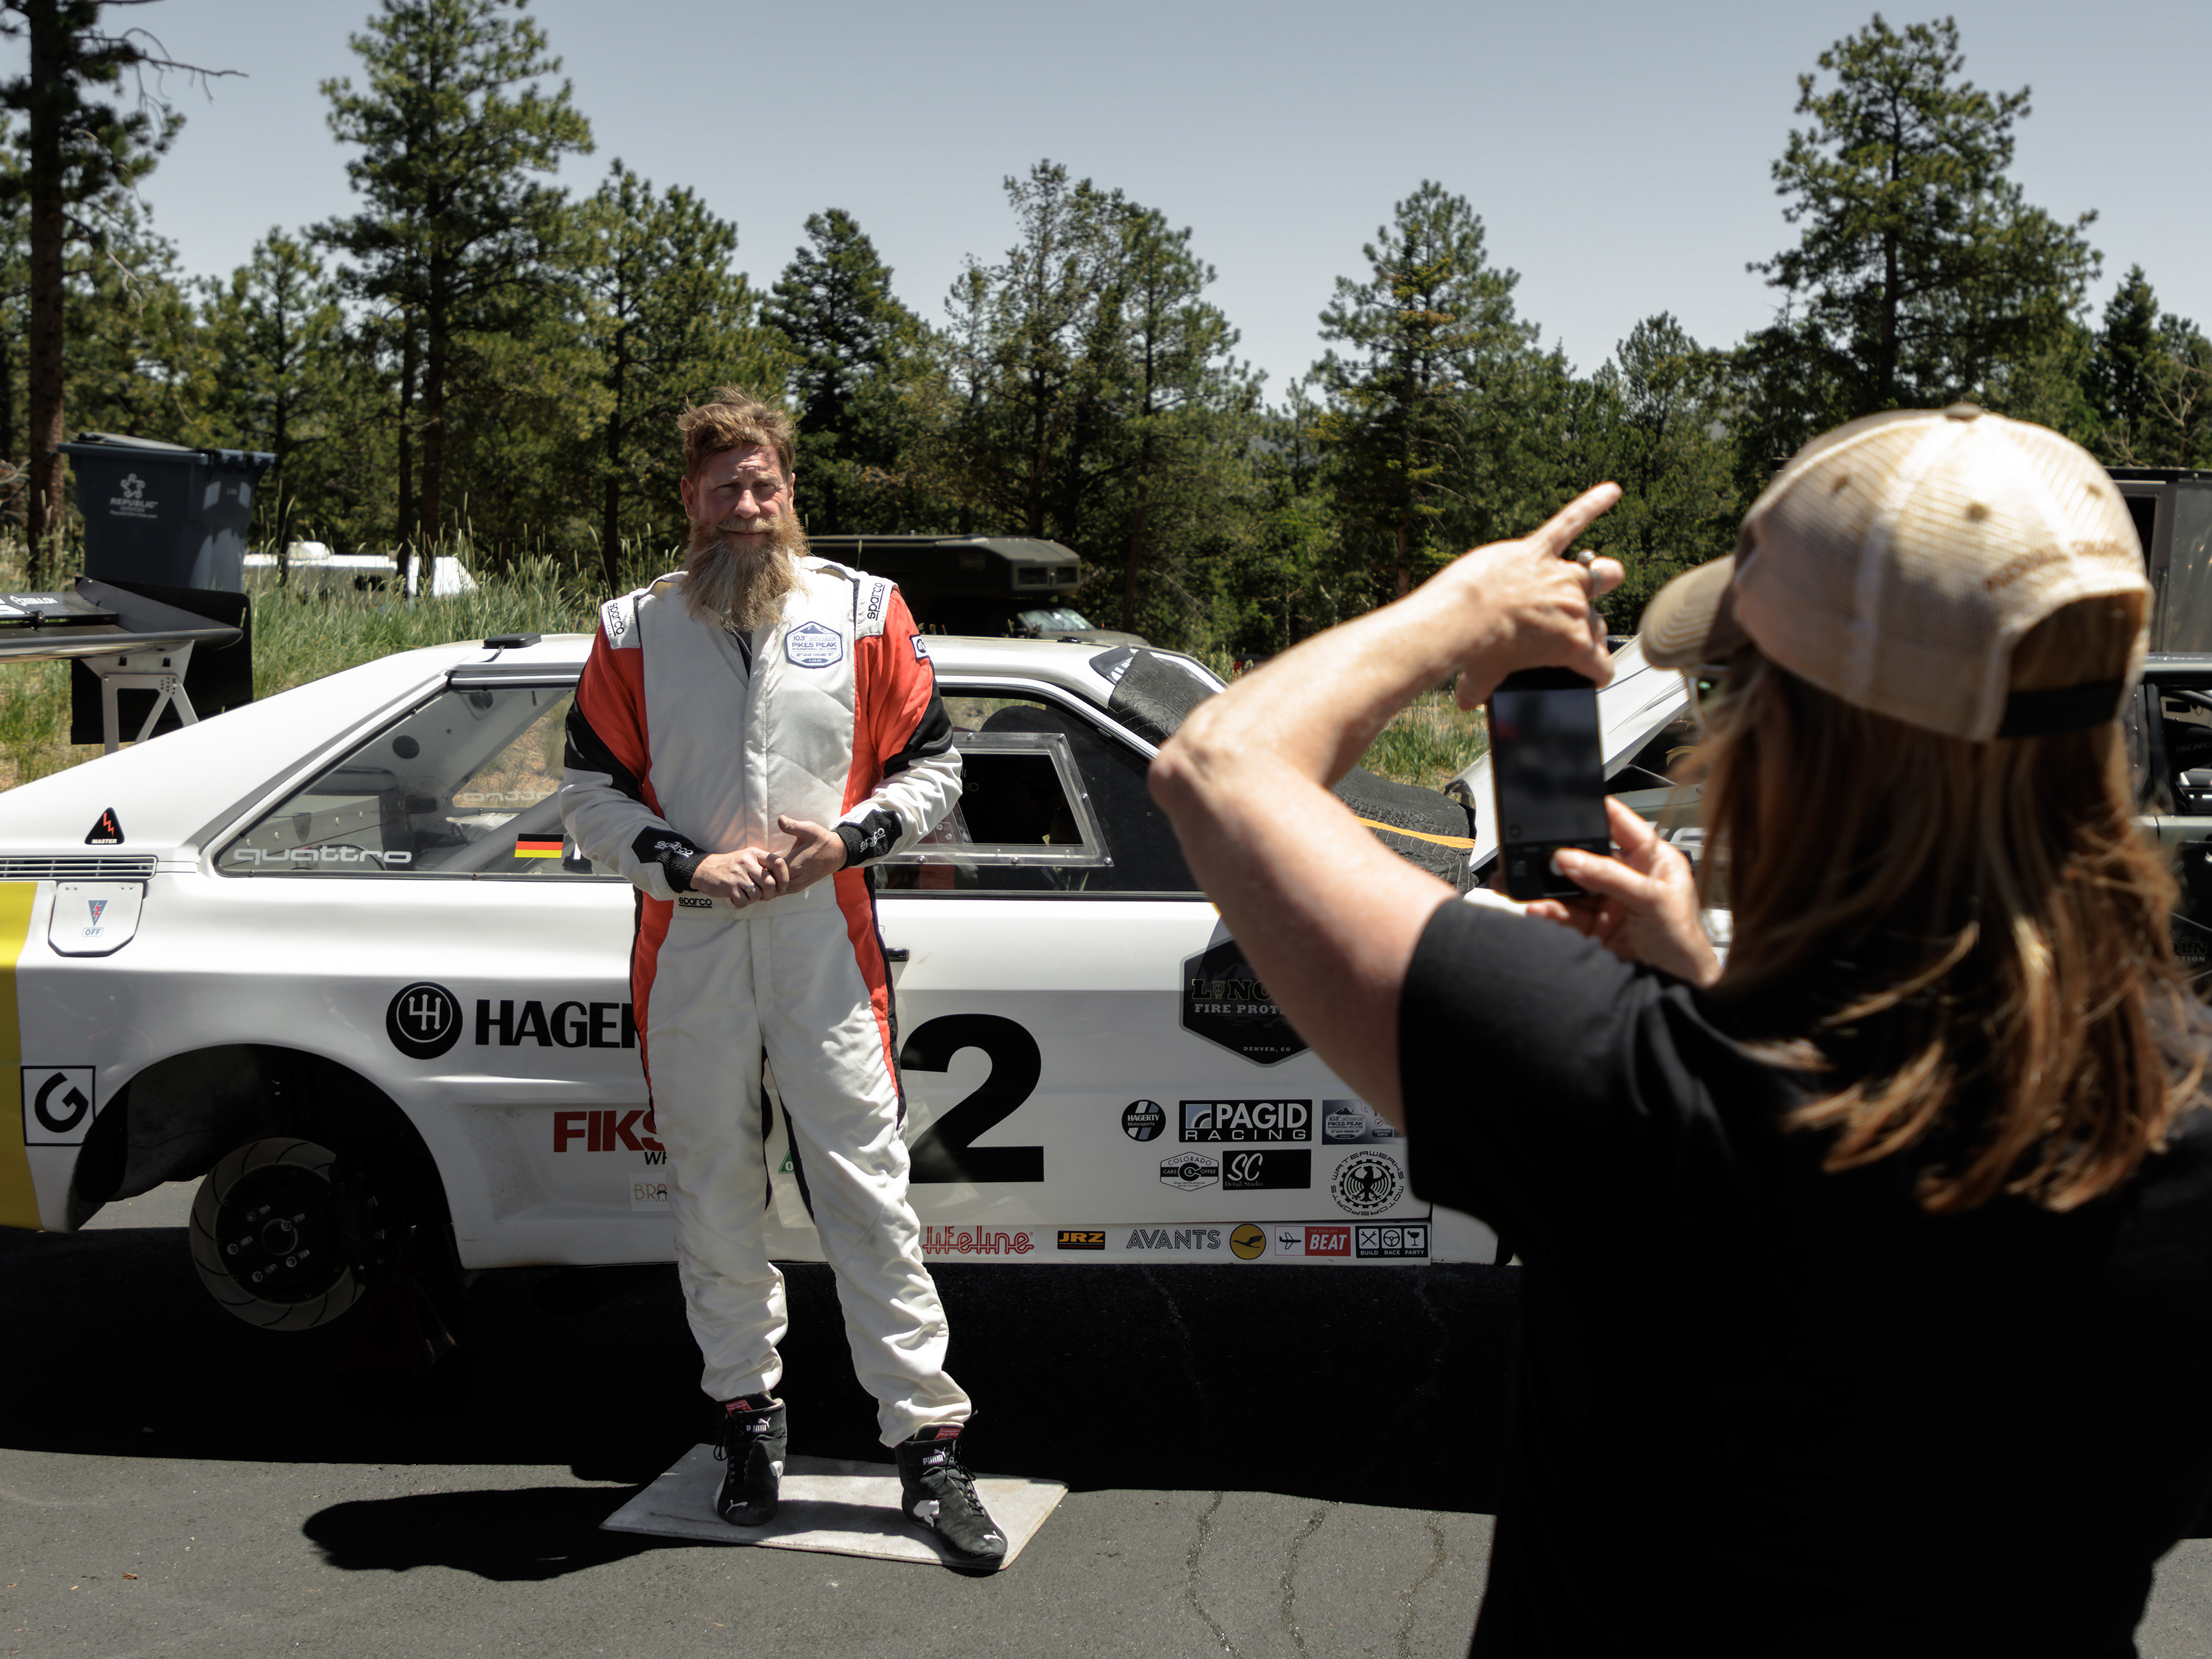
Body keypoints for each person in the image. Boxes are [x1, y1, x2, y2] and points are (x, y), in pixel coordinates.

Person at [1148, 405, 2212, 1654]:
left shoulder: (1636, 1094)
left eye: (1724, 690)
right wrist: (1700, 982)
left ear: (1782, 735)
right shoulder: (2179, 1123)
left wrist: (1460, 610)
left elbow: (1219, 767)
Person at [558, 387, 1006, 1570]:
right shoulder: (632, 627)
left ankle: (928, 1449)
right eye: (724, 489)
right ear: (690, 500)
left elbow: (935, 768)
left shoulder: (865, 609)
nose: (746, 507)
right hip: (690, 948)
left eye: (763, 485)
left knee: (869, 1198)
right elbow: (586, 793)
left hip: (824, 949)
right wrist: (684, 863)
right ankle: (745, 1421)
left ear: (789, 490)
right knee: (713, 1200)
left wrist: (848, 840)